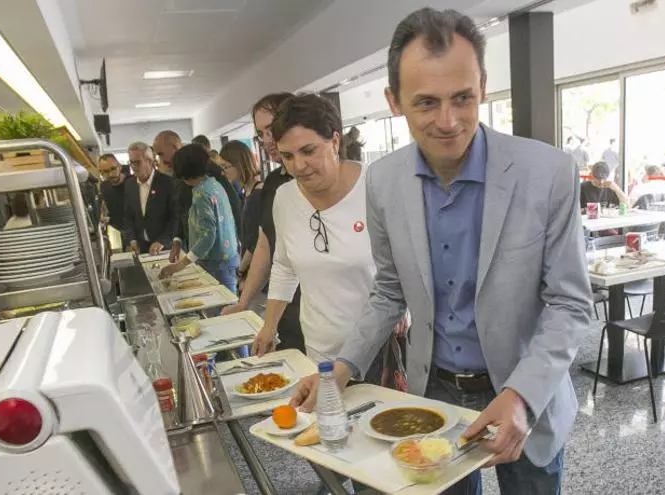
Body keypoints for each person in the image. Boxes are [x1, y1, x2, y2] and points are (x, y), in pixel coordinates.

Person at [289, 9, 590, 494]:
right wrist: (343, 368)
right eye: (426, 102)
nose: (448, 122)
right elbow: (389, 292)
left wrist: (520, 396)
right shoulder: (384, 181)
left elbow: (570, 303)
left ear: (483, 87)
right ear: (394, 101)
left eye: (463, 98)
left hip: (527, 388)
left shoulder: (547, 172)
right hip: (436, 392)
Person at [250, 93, 373, 365]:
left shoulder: (374, 187)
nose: (298, 166)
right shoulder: (285, 198)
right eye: (287, 156)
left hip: (377, 350)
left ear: (335, 141)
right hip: (319, 350)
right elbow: (284, 266)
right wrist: (269, 326)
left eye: (308, 151)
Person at [220, 92, 306, 354]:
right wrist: (243, 302)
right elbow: (265, 246)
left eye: (272, 130)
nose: (268, 140)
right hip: (287, 307)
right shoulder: (273, 184)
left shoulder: (313, 179)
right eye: (262, 133)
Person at [160, 144, 240, 293]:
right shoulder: (214, 184)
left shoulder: (201, 194)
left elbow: (207, 235)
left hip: (216, 261)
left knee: (223, 306)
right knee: (228, 298)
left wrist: (180, 265)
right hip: (228, 257)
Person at [155, 130, 242, 260]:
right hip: (196, 248)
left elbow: (233, 204)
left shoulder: (207, 168)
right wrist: (177, 240)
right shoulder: (179, 171)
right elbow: (181, 208)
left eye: (161, 154)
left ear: (174, 147)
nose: (160, 159)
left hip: (218, 251)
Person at [121, 141, 179, 254]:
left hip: (164, 248)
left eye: (137, 162)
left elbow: (175, 218)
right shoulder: (129, 184)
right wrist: (132, 240)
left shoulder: (168, 183)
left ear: (150, 161)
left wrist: (162, 241)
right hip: (141, 248)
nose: (133, 167)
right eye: (131, 162)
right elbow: (128, 216)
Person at [220, 140, 263, 289]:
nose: (223, 171)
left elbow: (256, 242)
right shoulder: (247, 191)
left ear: (239, 164)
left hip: (258, 273)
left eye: (226, 167)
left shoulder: (258, 193)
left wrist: (241, 271)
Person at [98, 154, 130, 245]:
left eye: (113, 169)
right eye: (105, 172)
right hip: (117, 231)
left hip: (136, 231)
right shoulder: (104, 186)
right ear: (101, 173)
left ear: (120, 167)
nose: (110, 174)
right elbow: (104, 207)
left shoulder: (132, 182)